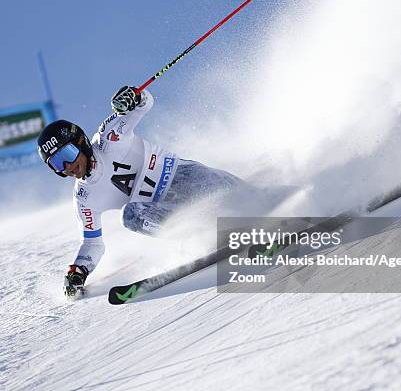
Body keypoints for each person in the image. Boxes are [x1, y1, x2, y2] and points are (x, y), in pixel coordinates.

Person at [37, 86, 258, 298]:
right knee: (130, 215)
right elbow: (92, 242)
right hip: (174, 210)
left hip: (189, 178)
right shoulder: (84, 198)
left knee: (250, 197)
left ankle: (262, 206)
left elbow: (144, 104)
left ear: (80, 142)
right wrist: (79, 271)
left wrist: (133, 97)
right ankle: (205, 236)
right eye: (56, 164)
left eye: (67, 154)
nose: (67, 166)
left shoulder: (109, 137)